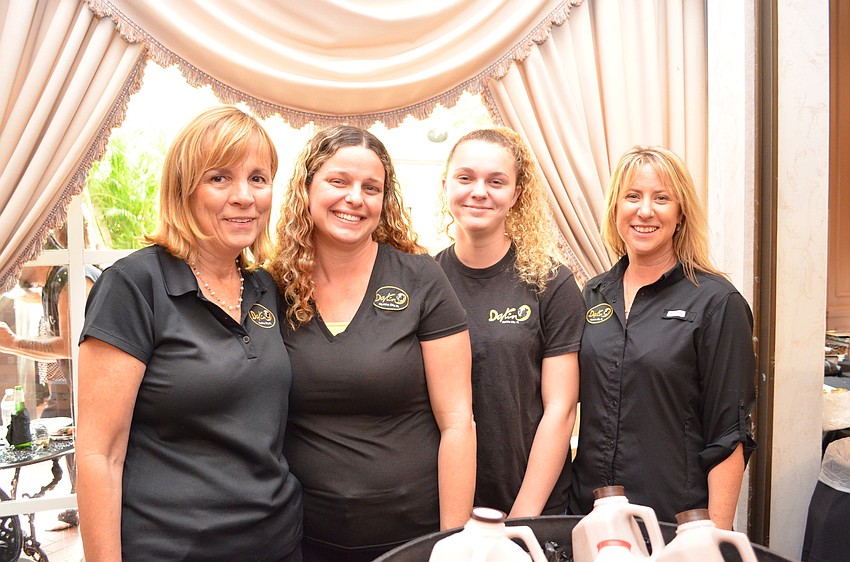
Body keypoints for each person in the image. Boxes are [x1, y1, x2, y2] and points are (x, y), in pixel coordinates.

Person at [75, 106, 303, 561]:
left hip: (276, 543)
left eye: (258, 178)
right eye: (219, 178)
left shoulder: (267, 288)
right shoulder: (133, 286)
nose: (244, 196)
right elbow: (100, 454)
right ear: (183, 191)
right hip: (171, 548)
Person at [267, 124, 476, 561]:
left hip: (411, 540)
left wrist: (451, 544)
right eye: (338, 182)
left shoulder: (421, 280)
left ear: (385, 200)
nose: (355, 199)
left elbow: (458, 422)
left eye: (371, 187)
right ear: (306, 188)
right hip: (298, 539)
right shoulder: (272, 288)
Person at [568, 145, 757, 530]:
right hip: (589, 514)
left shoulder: (718, 302)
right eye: (632, 196)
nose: (645, 211)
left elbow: (729, 435)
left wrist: (712, 541)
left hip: (674, 522)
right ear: (615, 210)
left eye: (662, 198)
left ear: (680, 213)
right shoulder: (592, 295)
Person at [434, 128, 584, 517]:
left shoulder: (551, 281)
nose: (479, 191)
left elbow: (561, 409)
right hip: (446, 508)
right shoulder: (426, 281)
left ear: (516, 194)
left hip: (532, 507)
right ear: (446, 184)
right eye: (466, 177)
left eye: (496, 181)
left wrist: (521, 519)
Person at [0, 229, 100, 528]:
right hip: (82, 386)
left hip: (99, 388)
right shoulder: (54, 281)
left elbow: (72, 345)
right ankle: (81, 508)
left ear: (33, 252)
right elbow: (28, 295)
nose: (14, 268)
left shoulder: (71, 279)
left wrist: (13, 343)